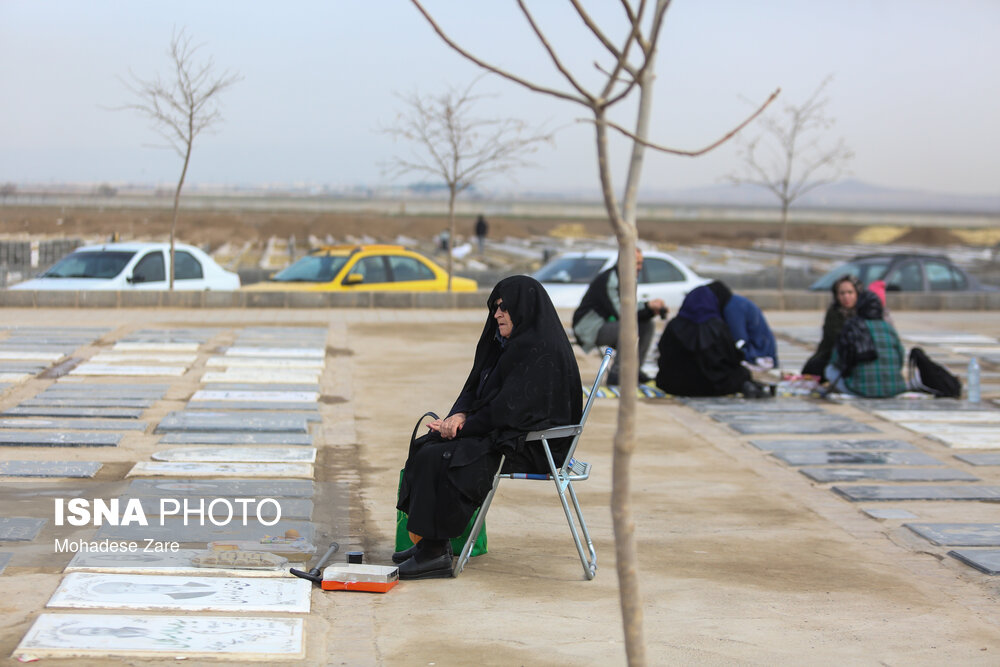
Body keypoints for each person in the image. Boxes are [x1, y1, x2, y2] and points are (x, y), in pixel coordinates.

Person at [394, 275, 582, 580]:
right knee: (428, 444)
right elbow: (475, 387)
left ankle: (436, 553)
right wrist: (456, 417)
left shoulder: (541, 348)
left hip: (535, 445)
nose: (496, 315)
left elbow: (511, 409)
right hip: (507, 432)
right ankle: (429, 543)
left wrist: (463, 427)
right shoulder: (505, 344)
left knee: (445, 457)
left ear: (523, 308)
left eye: (504, 308)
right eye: (494, 308)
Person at [571, 248, 667, 386]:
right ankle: (617, 374)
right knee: (628, 328)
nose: (639, 268)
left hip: (607, 323)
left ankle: (635, 370)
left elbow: (630, 307)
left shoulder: (628, 278)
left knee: (647, 325)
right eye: (636, 263)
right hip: (589, 328)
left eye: (640, 264)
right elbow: (622, 313)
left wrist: (651, 309)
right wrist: (648, 307)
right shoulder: (611, 279)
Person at [655, 282, 767, 398]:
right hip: (712, 386)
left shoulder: (673, 326)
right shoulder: (717, 326)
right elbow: (732, 358)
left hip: (674, 386)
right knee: (742, 374)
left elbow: (663, 355)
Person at [824, 286, 906, 397]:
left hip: (860, 390)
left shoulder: (852, 326)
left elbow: (836, 360)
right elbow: (900, 358)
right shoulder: (888, 327)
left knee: (829, 370)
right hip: (894, 389)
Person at [801, 274, 864, 381]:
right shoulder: (833, 313)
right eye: (842, 293)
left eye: (850, 292)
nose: (846, 297)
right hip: (832, 356)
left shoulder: (865, 312)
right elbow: (833, 340)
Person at [719, 283, 779, 370]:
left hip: (759, 354)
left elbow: (739, 340)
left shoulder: (732, 307)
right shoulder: (733, 302)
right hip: (761, 349)